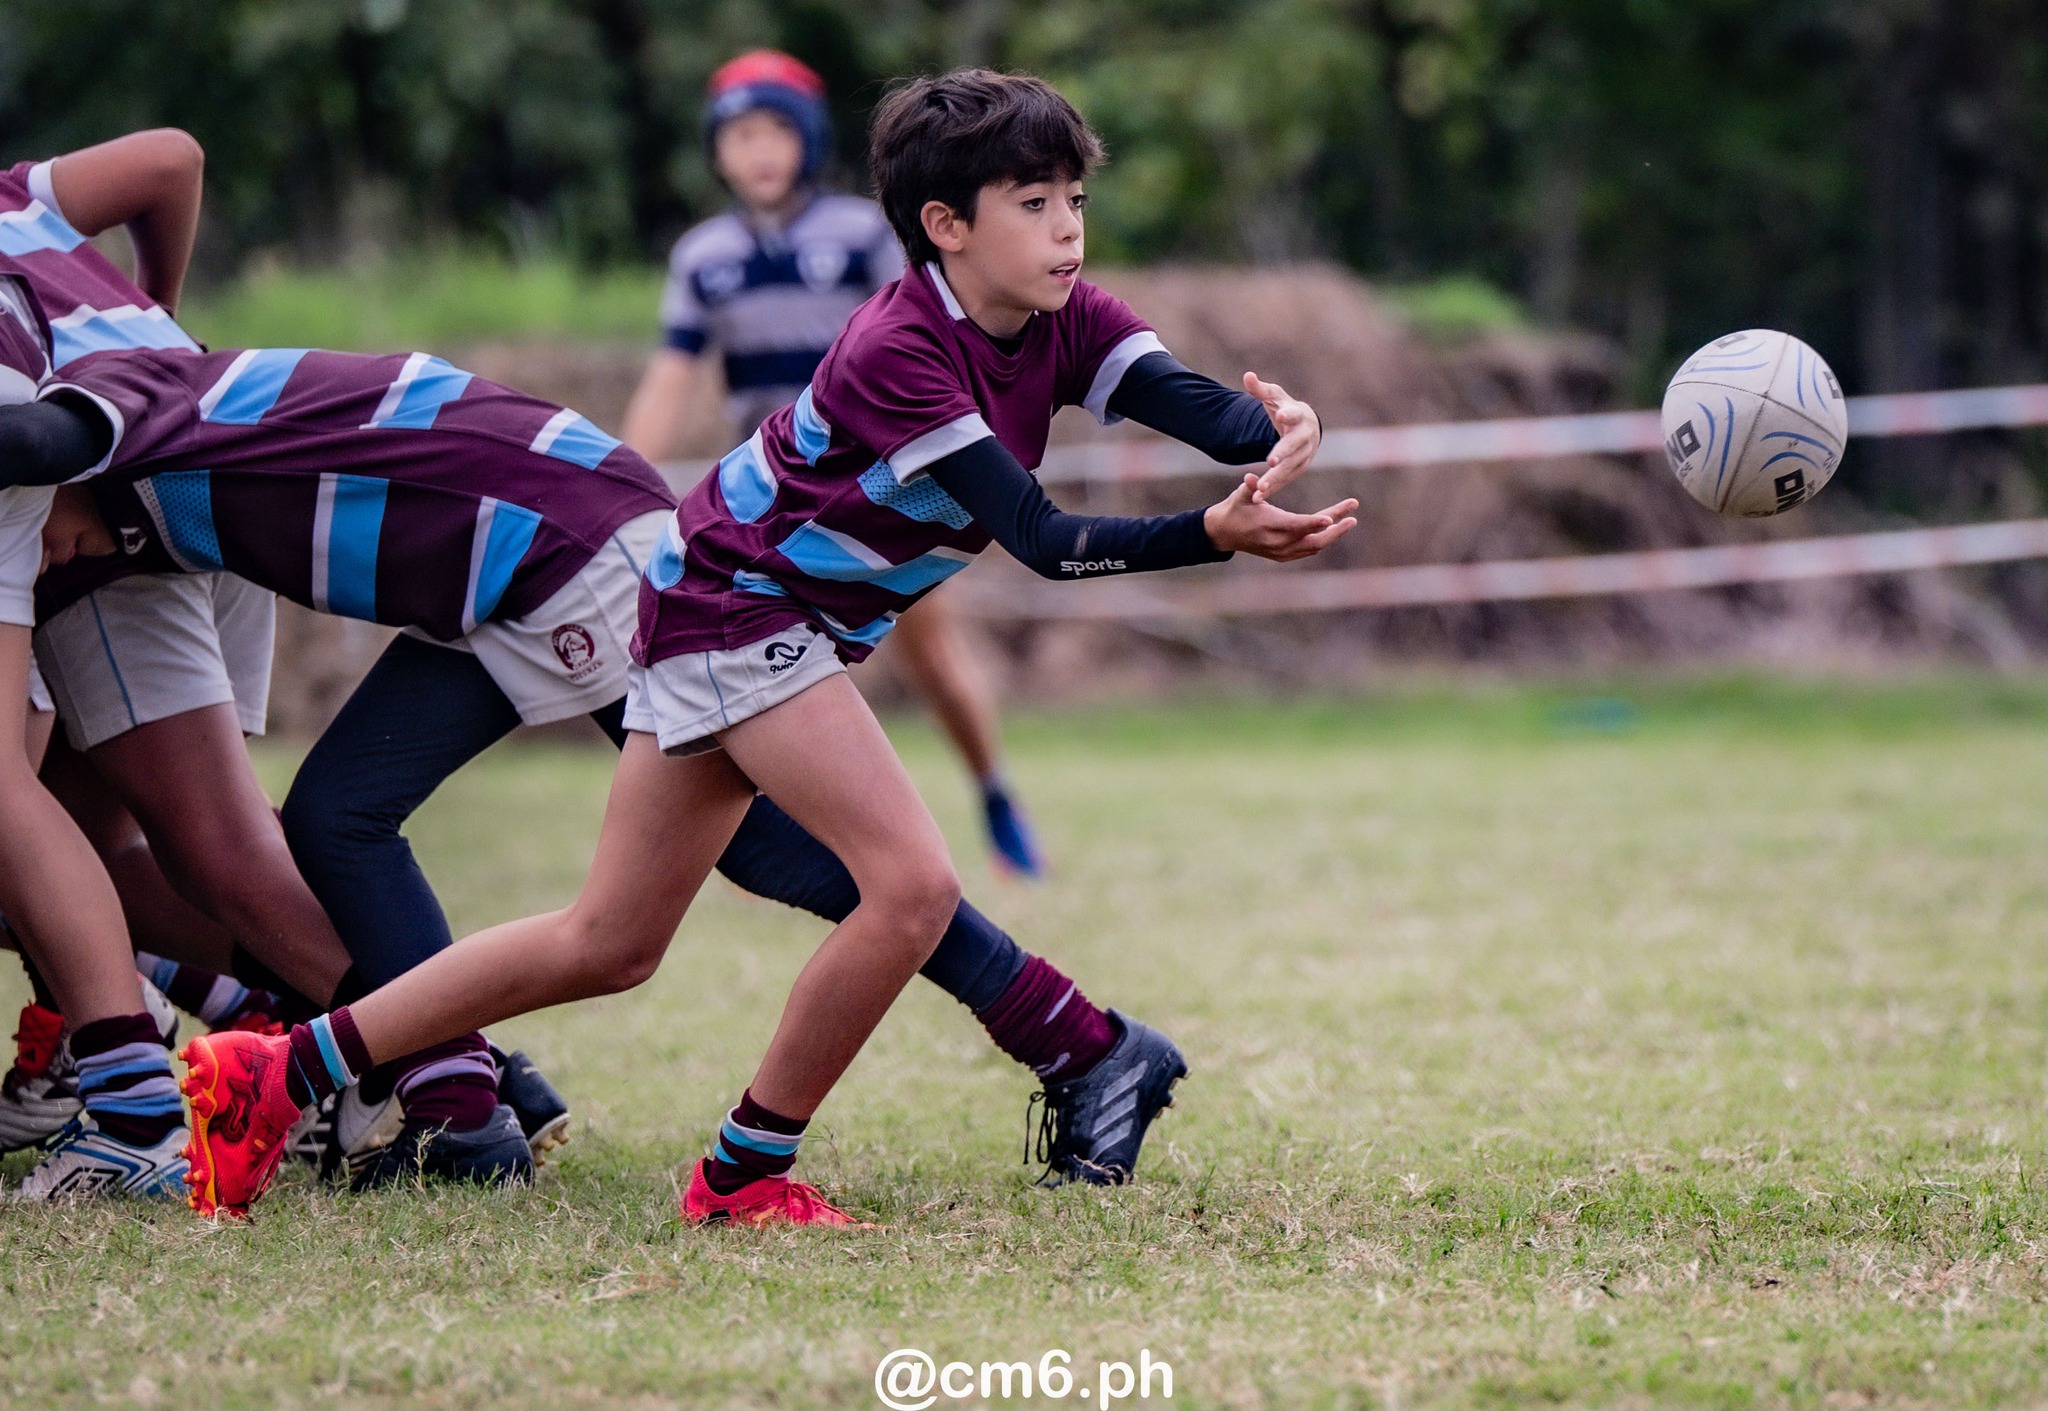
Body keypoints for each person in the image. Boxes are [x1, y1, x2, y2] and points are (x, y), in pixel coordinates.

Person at [170, 68, 1345, 1226]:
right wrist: (1211, 533)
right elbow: (1036, 537)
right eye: (1031, 203)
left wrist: (1280, 425)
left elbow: (1192, 403)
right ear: (945, 226)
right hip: (738, 607)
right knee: (911, 888)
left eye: (1073, 200)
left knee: (606, 942)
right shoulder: (902, 348)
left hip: (723, 604)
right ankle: (741, 1177)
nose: (1066, 229)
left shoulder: (1064, 318)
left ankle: (272, 1076)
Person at [0, 131, 570, 1179]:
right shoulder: (19, 200)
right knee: (112, 834)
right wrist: (157, 324)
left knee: (193, 847)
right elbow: (170, 158)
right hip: (184, 449)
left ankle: (440, 1072)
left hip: (112, 502)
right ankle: (392, 1054)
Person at [620, 50, 1048, 878]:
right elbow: (670, 380)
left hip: (882, 482)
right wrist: (622, 480)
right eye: (741, 134)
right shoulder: (703, 258)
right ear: (717, 151)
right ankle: (783, 851)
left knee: (932, 658)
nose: (760, 150)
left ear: (808, 140)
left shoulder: (861, 235)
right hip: (770, 496)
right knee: (764, 662)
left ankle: (994, 789)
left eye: (777, 129)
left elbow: (934, 335)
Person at [0, 267, 189, 1199]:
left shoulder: (23, 195)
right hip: (121, 422)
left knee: (218, 849)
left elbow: (169, 158)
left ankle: (140, 1104)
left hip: (115, 451)